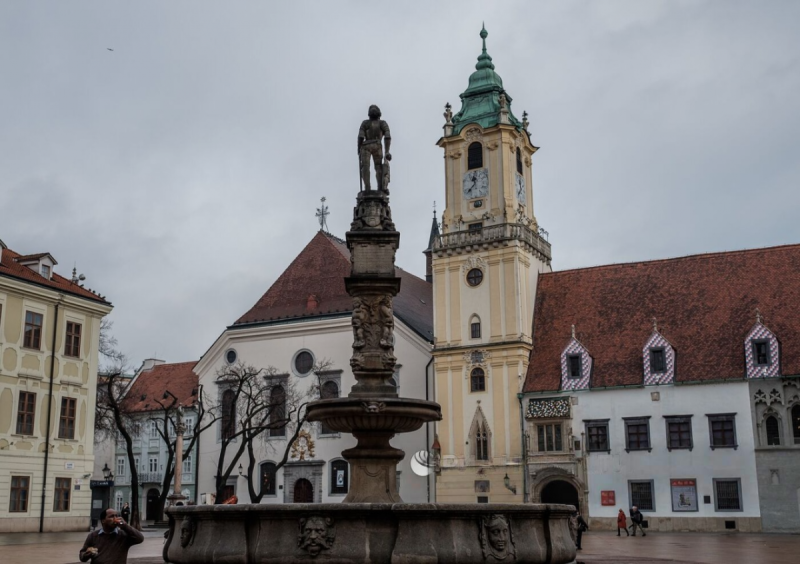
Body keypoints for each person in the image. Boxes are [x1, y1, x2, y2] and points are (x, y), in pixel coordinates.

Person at [79, 507, 144, 563]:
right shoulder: (93, 536)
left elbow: (140, 539)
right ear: (103, 520)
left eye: (116, 516)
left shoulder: (123, 535)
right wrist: (87, 554)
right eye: (111, 516)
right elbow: (82, 556)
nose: (115, 519)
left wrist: (125, 526)